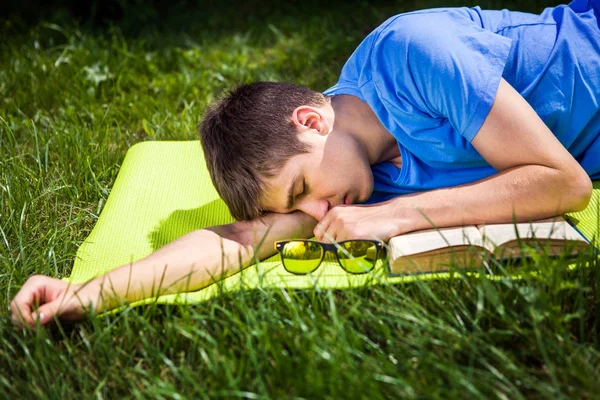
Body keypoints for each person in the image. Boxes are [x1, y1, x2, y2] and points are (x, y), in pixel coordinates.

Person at [10, 0, 600, 328]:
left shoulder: (416, 53)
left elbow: (564, 184)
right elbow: (240, 239)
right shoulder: (344, 180)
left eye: (301, 188)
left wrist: (398, 218)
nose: (315, 214)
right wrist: (86, 292)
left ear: (312, 121)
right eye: (297, 207)